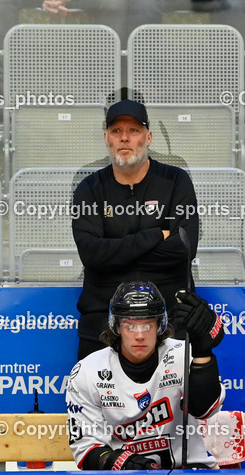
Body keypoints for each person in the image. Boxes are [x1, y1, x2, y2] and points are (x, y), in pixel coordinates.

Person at [72, 100, 200, 360]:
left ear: (149, 137)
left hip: (169, 318)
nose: (125, 138)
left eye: (134, 130)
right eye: (117, 131)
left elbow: (184, 249)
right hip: (102, 319)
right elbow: (91, 255)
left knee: (175, 400)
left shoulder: (176, 180)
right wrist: (155, 235)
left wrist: (115, 252)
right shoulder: (89, 187)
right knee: (96, 400)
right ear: (106, 138)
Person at [67, 281, 224, 470]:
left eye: (147, 325)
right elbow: (86, 448)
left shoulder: (184, 355)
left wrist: (203, 353)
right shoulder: (87, 371)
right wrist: (121, 462)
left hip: (188, 474)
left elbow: (205, 410)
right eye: (130, 326)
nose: (139, 335)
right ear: (116, 326)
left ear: (160, 326)